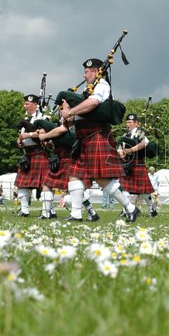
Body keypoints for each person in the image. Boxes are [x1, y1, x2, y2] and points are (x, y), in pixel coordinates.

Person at [59, 58, 139, 223]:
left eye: (87, 72)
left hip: (96, 135)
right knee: (74, 175)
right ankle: (76, 214)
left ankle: (131, 208)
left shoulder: (102, 85)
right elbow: (77, 116)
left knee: (101, 177)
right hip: (83, 137)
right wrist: (66, 114)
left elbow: (94, 103)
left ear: (95, 71)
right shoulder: (87, 92)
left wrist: (71, 111)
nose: (84, 75)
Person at [14, 94, 50, 217]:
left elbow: (45, 133)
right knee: (21, 183)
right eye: (24, 104)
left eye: (27, 104)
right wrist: (19, 141)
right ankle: (24, 210)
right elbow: (22, 137)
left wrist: (29, 135)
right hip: (27, 154)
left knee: (44, 184)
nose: (24, 106)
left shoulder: (43, 117)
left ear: (35, 105)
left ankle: (47, 211)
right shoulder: (27, 120)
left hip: (39, 153)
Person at [118, 113, 158, 217]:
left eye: (130, 122)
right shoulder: (125, 135)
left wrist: (131, 149)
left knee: (143, 190)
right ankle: (126, 209)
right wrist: (121, 154)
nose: (128, 124)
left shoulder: (140, 133)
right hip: (127, 163)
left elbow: (144, 143)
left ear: (136, 123)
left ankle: (152, 209)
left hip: (138, 162)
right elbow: (120, 148)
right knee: (124, 188)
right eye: (127, 122)